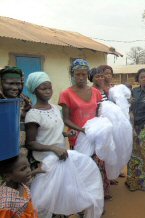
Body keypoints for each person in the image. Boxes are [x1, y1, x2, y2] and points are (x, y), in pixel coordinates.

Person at [25, 71, 104, 217]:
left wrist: (66, 134)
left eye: (49, 87)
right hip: (44, 163)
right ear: (34, 90)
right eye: (43, 88)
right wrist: (53, 148)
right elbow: (30, 143)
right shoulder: (33, 114)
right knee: (47, 202)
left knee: (61, 198)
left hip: (61, 159)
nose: (48, 91)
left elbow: (54, 131)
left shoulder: (55, 108)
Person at [59, 59, 103, 148]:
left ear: (88, 74)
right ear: (72, 75)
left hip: (94, 135)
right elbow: (66, 120)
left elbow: (99, 114)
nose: (81, 77)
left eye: (84, 74)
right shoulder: (66, 94)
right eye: (77, 74)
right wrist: (82, 130)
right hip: (77, 137)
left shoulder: (96, 92)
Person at [88, 66, 112, 199]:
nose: (101, 78)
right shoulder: (91, 91)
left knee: (104, 158)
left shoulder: (105, 90)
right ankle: (99, 191)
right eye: (97, 76)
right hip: (96, 128)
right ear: (91, 78)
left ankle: (105, 187)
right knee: (97, 159)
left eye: (102, 76)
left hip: (105, 128)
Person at [0, 66, 32, 147]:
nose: (15, 88)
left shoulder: (26, 101)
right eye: (10, 83)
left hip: (22, 147)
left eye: (18, 84)